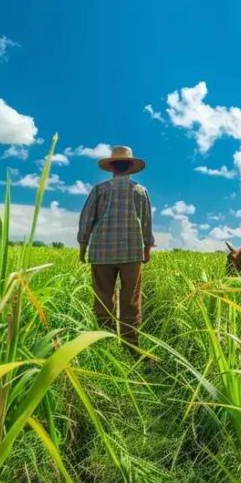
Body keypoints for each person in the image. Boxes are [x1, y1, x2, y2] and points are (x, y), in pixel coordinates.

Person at [77, 145, 153, 352]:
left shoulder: (100, 189)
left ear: (112, 168)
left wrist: (83, 248)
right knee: (131, 299)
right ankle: (130, 345)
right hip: (132, 252)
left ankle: (104, 345)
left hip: (102, 252)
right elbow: (146, 222)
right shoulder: (140, 191)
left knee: (103, 297)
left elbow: (87, 219)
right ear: (130, 167)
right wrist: (147, 250)